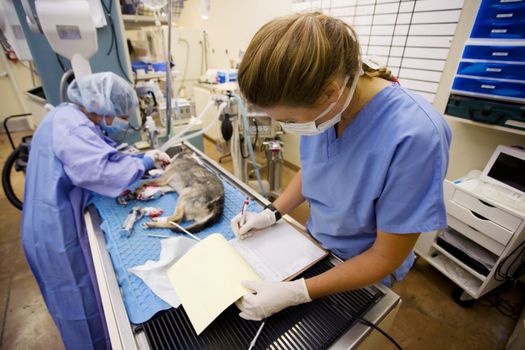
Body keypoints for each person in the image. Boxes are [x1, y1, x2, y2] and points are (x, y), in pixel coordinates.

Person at [231, 12, 451, 321]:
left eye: (289, 120)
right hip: (315, 247)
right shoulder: (329, 111)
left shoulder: (416, 136)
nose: (286, 127)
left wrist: (298, 292)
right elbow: (317, 168)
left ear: (331, 94)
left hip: (363, 270)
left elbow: (384, 256)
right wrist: (272, 213)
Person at [21, 72, 170, 349]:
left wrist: (136, 157)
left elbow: (102, 151)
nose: (120, 121)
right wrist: (145, 161)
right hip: (55, 234)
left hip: (46, 221)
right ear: (101, 105)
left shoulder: (69, 117)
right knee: (80, 305)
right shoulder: (73, 127)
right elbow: (102, 171)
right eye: (119, 114)